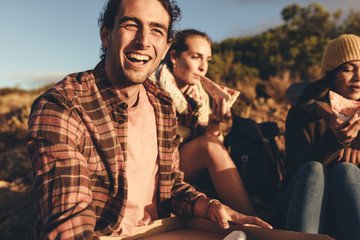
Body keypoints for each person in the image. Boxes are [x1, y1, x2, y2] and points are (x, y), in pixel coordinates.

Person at [27, 0, 272, 239]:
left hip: (165, 228)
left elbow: (170, 185)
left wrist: (209, 207)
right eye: (131, 25)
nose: (143, 41)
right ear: (106, 35)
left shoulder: (161, 105)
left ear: (165, 47)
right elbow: (70, 222)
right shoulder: (63, 106)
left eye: (156, 30)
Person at [150, 29, 257, 216]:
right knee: (208, 146)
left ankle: (250, 219)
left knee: (211, 144)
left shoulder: (199, 96)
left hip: (184, 164)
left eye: (207, 60)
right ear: (174, 57)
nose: (203, 67)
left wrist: (215, 123)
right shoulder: (153, 86)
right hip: (158, 165)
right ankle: (252, 220)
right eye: (195, 57)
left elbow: (210, 142)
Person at [282, 34, 360, 240]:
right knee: (313, 169)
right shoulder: (303, 112)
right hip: (306, 213)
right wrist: (334, 143)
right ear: (332, 73)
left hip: (348, 216)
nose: (358, 76)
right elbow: (292, 172)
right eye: (348, 68)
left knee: (347, 170)